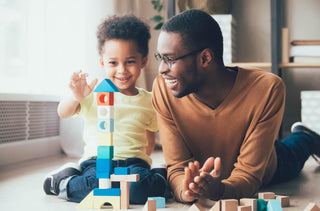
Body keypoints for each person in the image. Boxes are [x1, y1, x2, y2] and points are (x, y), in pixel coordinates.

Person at [152, 9, 320, 203]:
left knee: (293, 152)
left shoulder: (266, 89)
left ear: (205, 58)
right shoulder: (163, 89)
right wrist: (187, 190)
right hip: (211, 172)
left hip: (266, 166)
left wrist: (220, 190)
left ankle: (306, 136)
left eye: (170, 59)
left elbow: (249, 175)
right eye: (160, 58)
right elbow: (177, 166)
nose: (161, 69)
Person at [43, 14, 168, 204]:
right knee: (92, 190)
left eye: (130, 61)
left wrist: (146, 160)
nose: (122, 70)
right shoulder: (92, 93)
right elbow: (63, 112)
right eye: (113, 63)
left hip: (134, 163)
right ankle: (64, 180)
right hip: (96, 163)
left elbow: (150, 134)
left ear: (143, 61)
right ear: (102, 62)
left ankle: (158, 175)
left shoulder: (148, 100)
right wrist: (77, 96)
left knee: (140, 190)